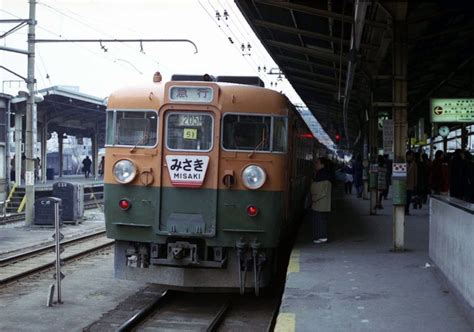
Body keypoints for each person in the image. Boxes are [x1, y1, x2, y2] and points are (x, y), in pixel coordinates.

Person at [310, 157, 332, 244]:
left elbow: (318, 190)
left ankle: (322, 237)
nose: (315, 164)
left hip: (320, 203)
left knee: (319, 220)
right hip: (323, 203)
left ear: (323, 165)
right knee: (322, 219)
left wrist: (313, 198)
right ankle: (322, 236)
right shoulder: (326, 174)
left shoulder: (321, 175)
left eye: (317, 163)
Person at [405, 151, 418, 215]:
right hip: (404, 183)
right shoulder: (403, 163)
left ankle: (406, 209)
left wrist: (415, 184)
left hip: (410, 184)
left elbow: (416, 174)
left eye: (412, 155)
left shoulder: (414, 164)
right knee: (404, 198)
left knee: (408, 198)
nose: (411, 157)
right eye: (410, 155)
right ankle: (405, 209)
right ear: (407, 155)